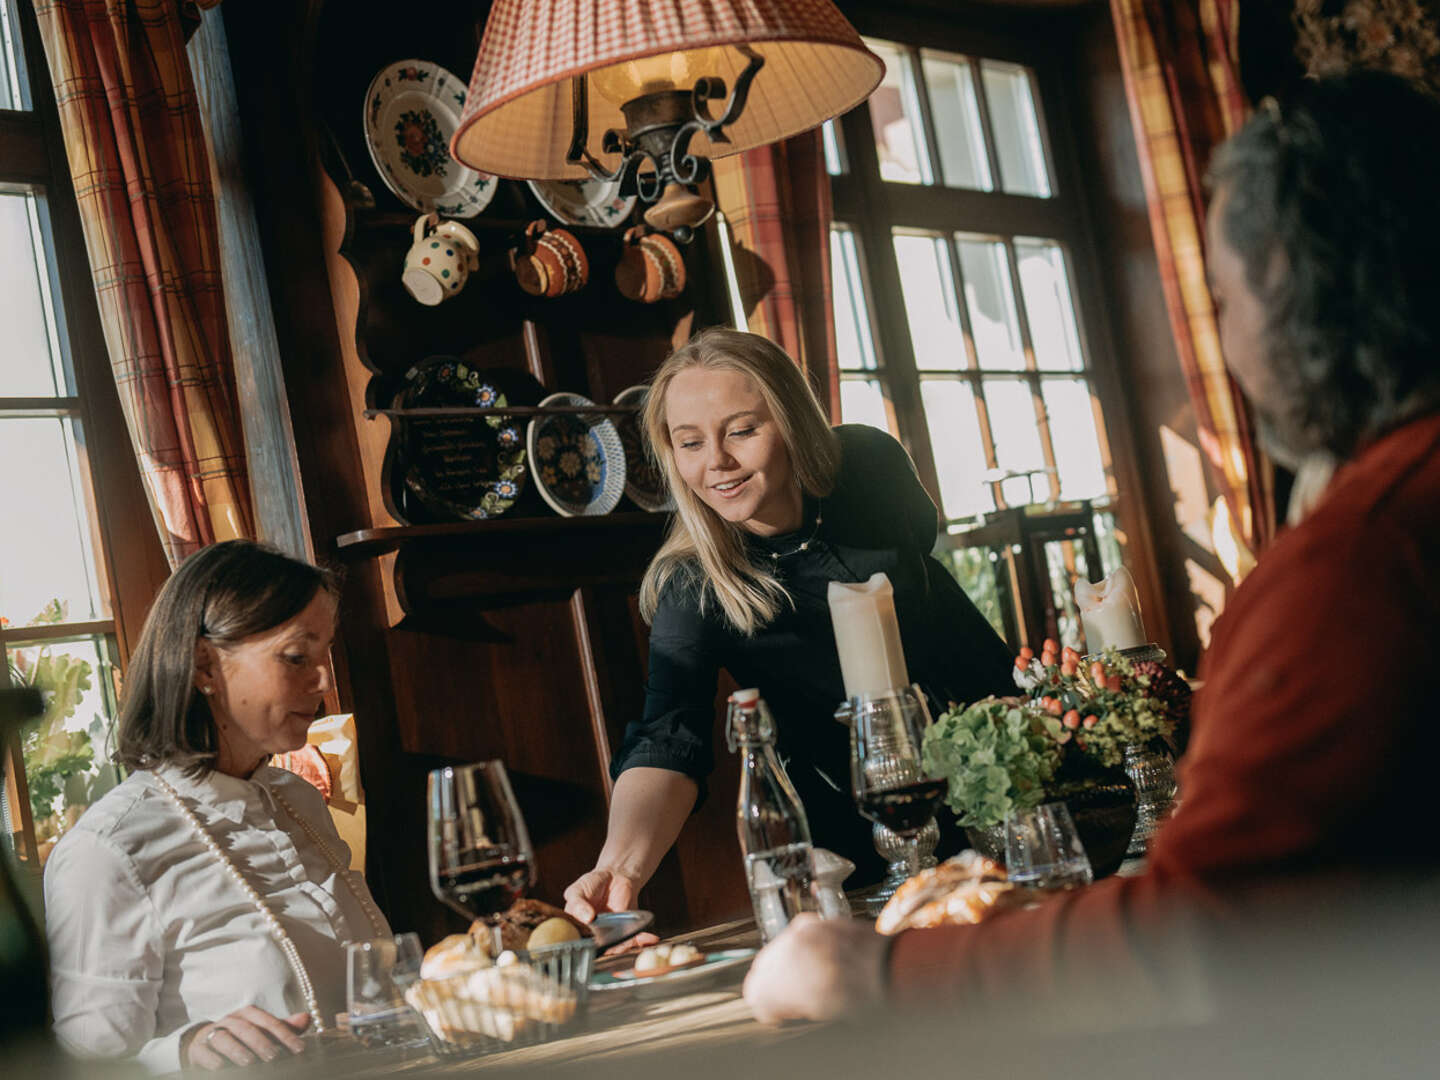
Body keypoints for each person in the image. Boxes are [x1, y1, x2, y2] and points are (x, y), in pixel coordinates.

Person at [741, 70, 1440, 1021]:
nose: (1225, 341)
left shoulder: (1362, 559)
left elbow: (1205, 938)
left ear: (1293, 291)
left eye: (1225, 301)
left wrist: (869, 975)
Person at [564, 328, 1014, 922]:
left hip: (1004, 763)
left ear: (795, 422)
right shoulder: (695, 585)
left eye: (742, 431)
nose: (716, 463)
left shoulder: (871, 466)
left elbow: (923, 568)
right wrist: (620, 866)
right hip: (870, 832)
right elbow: (668, 735)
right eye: (689, 443)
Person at [44, 540, 391, 1071]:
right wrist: (183, 1050)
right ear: (205, 665)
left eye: (323, 657)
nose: (324, 681)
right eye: (297, 657)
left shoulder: (296, 800)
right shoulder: (110, 851)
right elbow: (83, 1065)